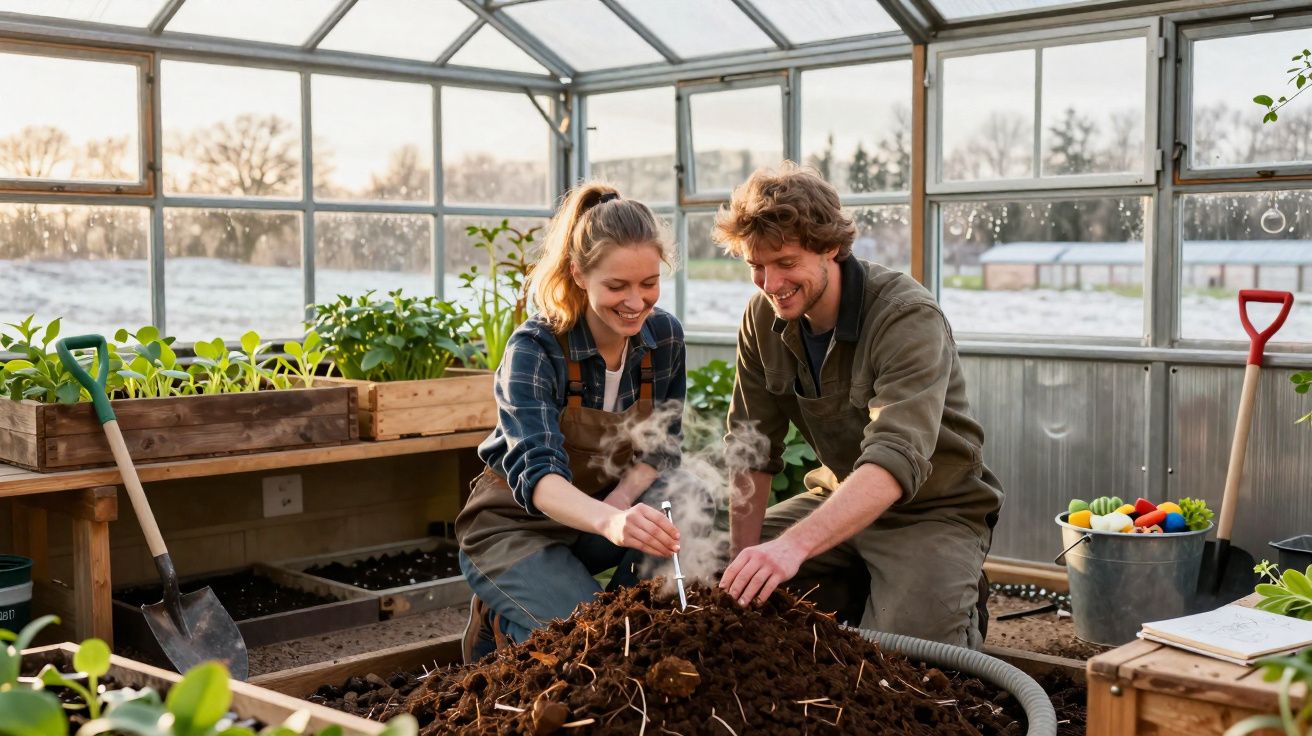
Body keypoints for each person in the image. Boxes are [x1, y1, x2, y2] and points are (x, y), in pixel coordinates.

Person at [714, 163, 1003, 648]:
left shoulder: (905, 316)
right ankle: (855, 588)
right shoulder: (762, 316)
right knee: (708, 572)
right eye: (755, 266)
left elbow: (894, 458)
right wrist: (742, 568)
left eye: (785, 262)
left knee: (907, 658)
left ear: (831, 246)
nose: (769, 282)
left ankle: (951, 592)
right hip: (836, 498)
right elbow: (751, 447)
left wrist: (791, 548)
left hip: (930, 513)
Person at [456, 182, 686, 662]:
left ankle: (621, 621)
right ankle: (506, 615)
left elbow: (661, 446)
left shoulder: (662, 338)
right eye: (616, 286)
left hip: (598, 519)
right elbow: (539, 476)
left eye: (649, 283)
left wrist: (624, 508)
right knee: (587, 643)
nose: (636, 303)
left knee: (685, 502)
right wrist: (614, 521)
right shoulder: (536, 349)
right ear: (579, 274)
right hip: (515, 527)